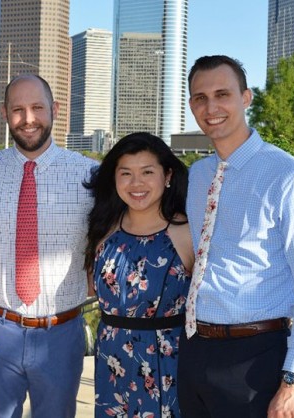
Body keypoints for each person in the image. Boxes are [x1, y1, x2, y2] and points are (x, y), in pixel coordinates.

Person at [177, 55, 294, 418]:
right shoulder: (198, 175)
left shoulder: (290, 177)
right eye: (200, 98)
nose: (211, 107)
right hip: (195, 350)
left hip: (256, 359)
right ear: (191, 106)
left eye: (222, 94)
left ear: (246, 98)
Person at [0, 74, 98, 417]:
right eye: (18, 109)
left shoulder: (91, 175)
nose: (28, 119)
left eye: (37, 107)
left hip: (62, 332)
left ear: (55, 110)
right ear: (4, 113)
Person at [85, 132, 193, 418]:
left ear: (167, 175)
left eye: (147, 172)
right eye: (126, 173)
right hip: (111, 358)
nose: (136, 183)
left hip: (168, 362)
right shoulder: (103, 229)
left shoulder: (187, 234)